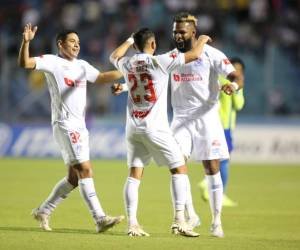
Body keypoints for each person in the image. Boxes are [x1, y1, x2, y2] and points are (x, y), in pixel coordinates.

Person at [18, 23, 124, 233]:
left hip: (80, 126)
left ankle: (43, 210)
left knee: (74, 178)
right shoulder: (51, 61)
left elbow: (102, 77)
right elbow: (24, 63)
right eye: (72, 41)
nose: (77, 45)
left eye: (78, 42)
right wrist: (26, 42)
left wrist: (126, 71)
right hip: (64, 124)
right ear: (61, 44)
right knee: (85, 170)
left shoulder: (82, 65)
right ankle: (100, 218)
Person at [109, 28, 211, 237]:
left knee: (134, 174)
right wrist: (202, 39)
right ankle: (179, 220)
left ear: (136, 45)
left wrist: (129, 40)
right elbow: (194, 54)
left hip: (133, 127)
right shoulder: (161, 61)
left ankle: (133, 224)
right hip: (155, 128)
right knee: (179, 169)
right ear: (153, 45)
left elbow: (114, 56)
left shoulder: (128, 63)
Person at [168, 12, 244, 238]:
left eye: (182, 31)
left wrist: (233, 85)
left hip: (207, 118)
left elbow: (235, 76)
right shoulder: (171, 56)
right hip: (180, 118)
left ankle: (216, 221)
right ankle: (185, 216)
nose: (178, 35)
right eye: (175, 32)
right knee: (176, 165)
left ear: (193, 32)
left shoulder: (212, 54)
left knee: (212, 170)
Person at [199, 58, 245, 207]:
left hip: (211, 123)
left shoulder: (217, 79)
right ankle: (214, 188)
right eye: (235, 69)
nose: (236, 72)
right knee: (224, 159)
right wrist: (238, 88)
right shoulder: (233, 84)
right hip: (224, 126)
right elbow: (238, 105)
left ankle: (210, 186)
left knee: (214, 157)